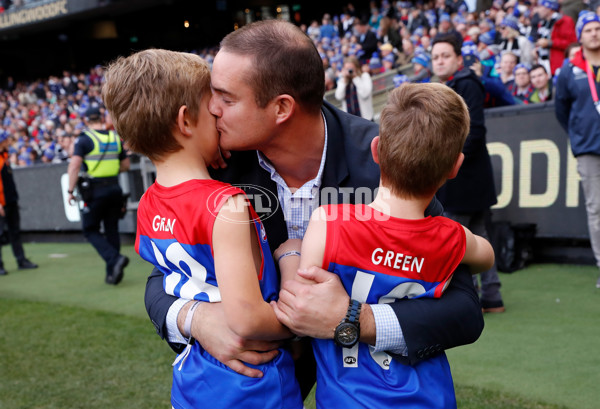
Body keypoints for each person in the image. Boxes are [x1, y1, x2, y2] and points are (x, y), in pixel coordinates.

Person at [144, 19, 484, 399]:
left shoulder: (383, 159)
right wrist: (197, 319)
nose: (212, 108)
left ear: (281, 108)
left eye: (226, 97)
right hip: (258, 377)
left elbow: (465, 309)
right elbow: (160, 276)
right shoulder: (215, 164)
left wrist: (354, 320)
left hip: (363, 377)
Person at [102, 48, 303, 409]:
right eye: (213, 109)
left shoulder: (148, 202)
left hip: (193, 378)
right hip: (252, 385)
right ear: (186, 121)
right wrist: (303, 320)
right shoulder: (225, 204)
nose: (220, 118)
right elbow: (248, 321)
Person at [275, 83, 495, 408]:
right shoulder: (453, 238)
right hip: (428, 399)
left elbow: (303, 300)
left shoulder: (328, 222)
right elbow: (486, 257)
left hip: (347, 399)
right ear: (454, 167)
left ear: (376, 150)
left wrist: (288, 253)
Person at [432, 33, 505, 313]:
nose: (440, 61)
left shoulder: (465, 84)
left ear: (459, 59)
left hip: (463, 181)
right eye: (436, 57)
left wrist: (443, 163)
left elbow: (474, 133)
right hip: (468, 179)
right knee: (477, 236)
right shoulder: (453, 85)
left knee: (457, 240)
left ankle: (469, 298)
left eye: (445, 56)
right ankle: (491, 296)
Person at [555, 11, 600, 288]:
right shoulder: (569, 70)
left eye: (598, 28)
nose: (595, 33)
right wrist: (579, 134)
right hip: (588, 148)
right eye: (589, 30)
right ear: (580, 36)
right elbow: (562, 110)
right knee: (597, 209)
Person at [67, 105, 130, 285]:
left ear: (86, 120)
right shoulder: (114, 137)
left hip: (95, 190)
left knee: (90, 229)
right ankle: (112, 274)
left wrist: (70, 191)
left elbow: (74, 166)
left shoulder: (84, 139)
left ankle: (114, 259)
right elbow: (125, 165)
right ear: (101, 118)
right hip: (114, 188)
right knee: (112, 229)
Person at [0, 132, 38, 276]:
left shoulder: (5, 156)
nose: (8, 142)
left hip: (11, 201)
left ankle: (21, 260)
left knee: (15, 232)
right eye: (5, 140)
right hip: (2, 204)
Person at [533, 0, 577, 76]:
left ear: (549, 8)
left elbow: (572, 44)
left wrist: (550, 43)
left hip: (559, 67)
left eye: (540, 7)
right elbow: (542, 42)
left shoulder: (565, 21)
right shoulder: (542, 23)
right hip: (544, 66)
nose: (537, 10)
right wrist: (537, 50)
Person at [334, 56, 374, 121]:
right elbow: (338, 97)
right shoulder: (343, 81)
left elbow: (365, 94)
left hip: (366, 118)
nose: (349, 70)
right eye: (347, 68)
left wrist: (355, 77)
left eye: (351, 68)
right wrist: (344, 80)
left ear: (356, 68)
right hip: (350, 121)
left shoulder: (364, 77)